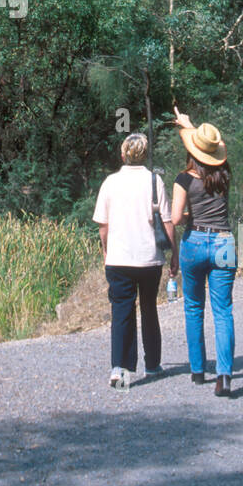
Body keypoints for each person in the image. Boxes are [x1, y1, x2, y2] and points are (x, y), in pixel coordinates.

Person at [93, 132, 176, 389]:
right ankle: (152, 364)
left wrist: (106, 250)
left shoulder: (110, 182)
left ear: (123, 154)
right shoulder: (155, 181)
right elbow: (168, 222)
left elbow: (103, 226)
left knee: (121, 312)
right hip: (149, 258)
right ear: (145, 154)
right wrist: (175, 255)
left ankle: (120, 368)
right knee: (149, 309)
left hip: (119, 258)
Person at [171, 110, 237, 398]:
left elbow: (174, 219)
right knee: (223, 312)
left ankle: (198, 371)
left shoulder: (184, 179)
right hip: (224, 242)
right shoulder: (225, 174)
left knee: (194, 308)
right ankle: (224, 376)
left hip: (195, 242)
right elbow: (208, 147)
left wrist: (188, 216)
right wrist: (189, 126)